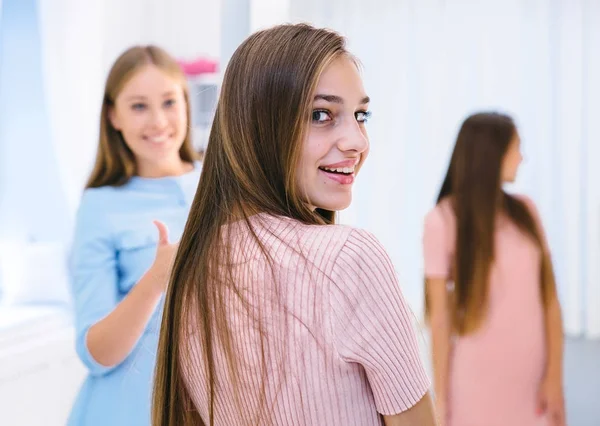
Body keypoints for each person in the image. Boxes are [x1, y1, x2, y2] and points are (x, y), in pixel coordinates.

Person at [152, 24, 436, 426]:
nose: (357, 141)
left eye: (360, 115)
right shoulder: (348, 258)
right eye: (322, 115)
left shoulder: (193, 266)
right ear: (260, 126)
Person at [67, 45, 202, 426]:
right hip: (124, 411)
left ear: (186, 104)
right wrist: (157, 278)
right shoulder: (100, 206)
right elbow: (96, 353)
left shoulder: (223, 185)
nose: (158, 121)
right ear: (114, 116)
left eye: (169, 102)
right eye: (139, 106)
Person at [423, 112, 566, 426]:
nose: (522, 157)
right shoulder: (442, 221)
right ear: (492, 155)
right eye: (517, 147)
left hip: (532, 382)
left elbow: (550, 301)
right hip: (473, 383)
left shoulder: (526, 211)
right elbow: (441, 320)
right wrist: (443, 401)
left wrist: (554, 378)